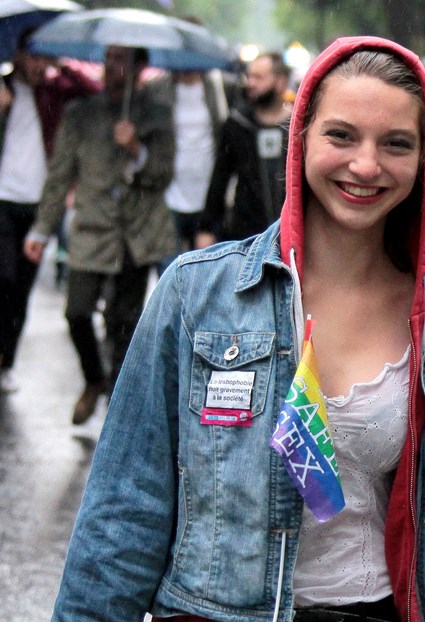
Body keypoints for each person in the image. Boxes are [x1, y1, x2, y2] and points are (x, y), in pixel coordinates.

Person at [28, 37, 425, 622]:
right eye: (342, 136)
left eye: (395, 144)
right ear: (300, 141)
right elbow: (127, 501)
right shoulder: (199, 294)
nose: (366, 165)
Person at [23, 45, 176, 425]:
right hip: (92, 229)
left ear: (140, 67)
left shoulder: (156, 115)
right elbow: (60, 174)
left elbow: (162, 174)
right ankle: (94, 379)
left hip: (135, 232)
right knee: (77, 311)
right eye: (108, 59)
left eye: (122, 60)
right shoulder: (81, 114)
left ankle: (117, 409)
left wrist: (136, 148)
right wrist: (43, 228)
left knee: (124, 322)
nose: (112, 67)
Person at [0, 29, 98, 393]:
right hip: (3, 201)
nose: (39, 65)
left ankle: (6, 361)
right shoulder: (4, 88)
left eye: (44, 57)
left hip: (40, 204)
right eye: (34, 56)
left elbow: (93, 92)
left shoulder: (54, 90)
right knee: (5, 279)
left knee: (20, 289)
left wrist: (63, 63)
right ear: (19, 54)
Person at [195, 52, 291, 248]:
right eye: (249, 76)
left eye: (259, 77)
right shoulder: (237, 124)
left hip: (290, 231)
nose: (251, 83)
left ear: (280, 82)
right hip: (247, 233)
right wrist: (207, 227)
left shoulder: (299, 125)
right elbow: (220, 177)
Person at [146, 65, 234, 270]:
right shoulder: (157, 89)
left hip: (207, 197)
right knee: (169, 271)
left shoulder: (222, 86)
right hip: (169, 194)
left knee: (205, 271)